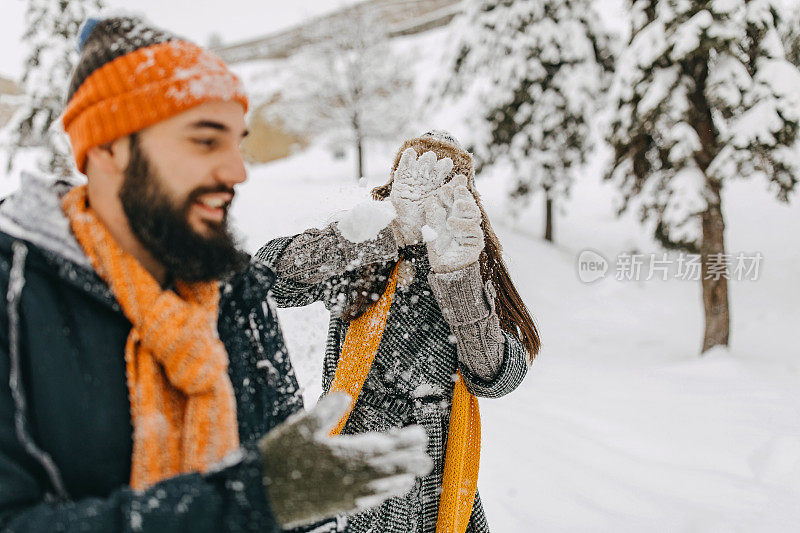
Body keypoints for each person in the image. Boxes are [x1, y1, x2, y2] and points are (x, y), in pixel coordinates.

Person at [0, 16, 432, 533]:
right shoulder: (15, 293)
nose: (237, 171)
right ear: (108, 148)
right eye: (206, 142)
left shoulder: (232, 289)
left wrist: (299, 495)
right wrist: (249, 502)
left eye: (236, 142)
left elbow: (273, 477)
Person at [255, 130, 541, 532]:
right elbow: (266, 278)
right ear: (397, 187)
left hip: (435, 477)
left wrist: (459, 280)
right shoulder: (361, 251)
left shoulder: (473, 264)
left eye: (442, 188)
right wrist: (381, 233)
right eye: (416, 187)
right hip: (352, 463)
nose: (428, 203)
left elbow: (498, 377)